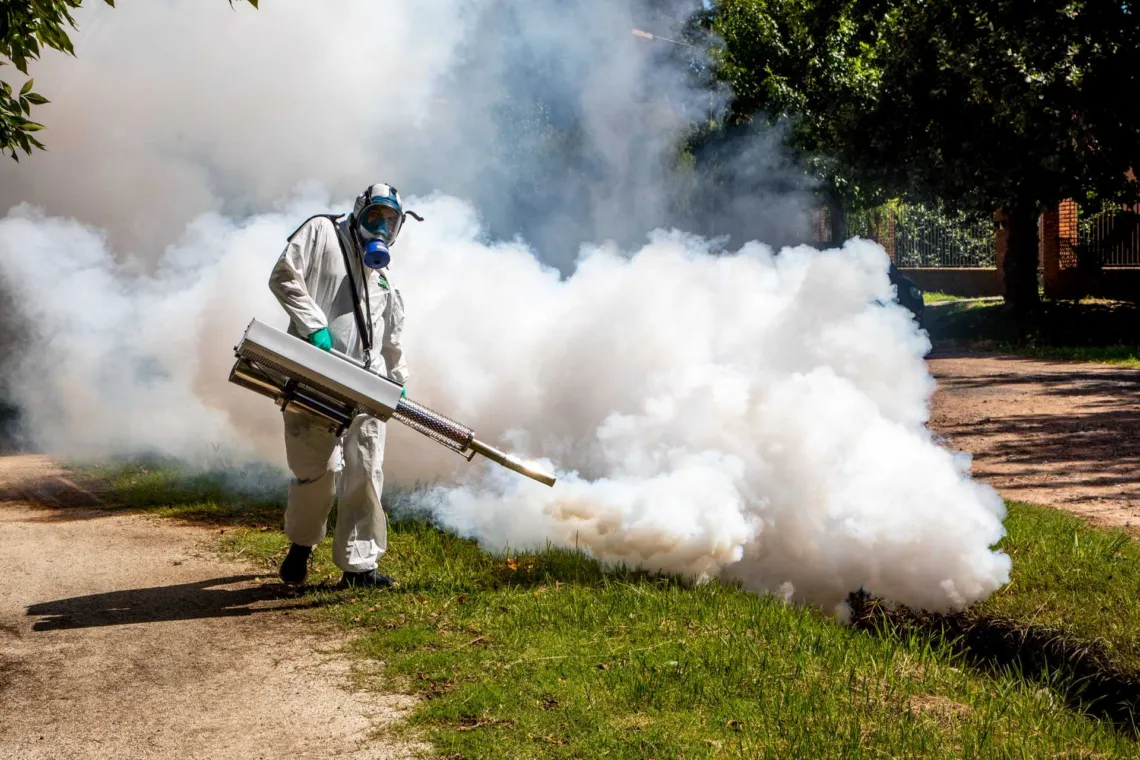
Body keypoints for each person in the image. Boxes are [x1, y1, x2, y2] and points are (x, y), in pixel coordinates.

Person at [268, 183, 417, 588]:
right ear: (358, 212)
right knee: (315, 471)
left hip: (367, 386)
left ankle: (359, 568)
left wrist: (397, 378)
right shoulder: (322, 233)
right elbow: (284, 276)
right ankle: (302, 545)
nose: (381, 228)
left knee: (365, 471)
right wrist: (312, 325)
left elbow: (391, 337)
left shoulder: (383, 278)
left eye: (391, 221)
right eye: (375, 217)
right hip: (314, 374)